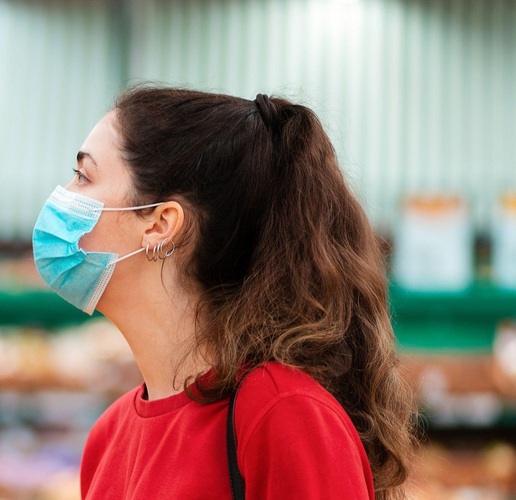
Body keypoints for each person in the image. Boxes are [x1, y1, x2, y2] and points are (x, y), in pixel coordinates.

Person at [31, 87, 417, 499]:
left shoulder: (282, 413)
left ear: (161, 224)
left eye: (83, 176)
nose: (62, 197)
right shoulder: (108, 437)